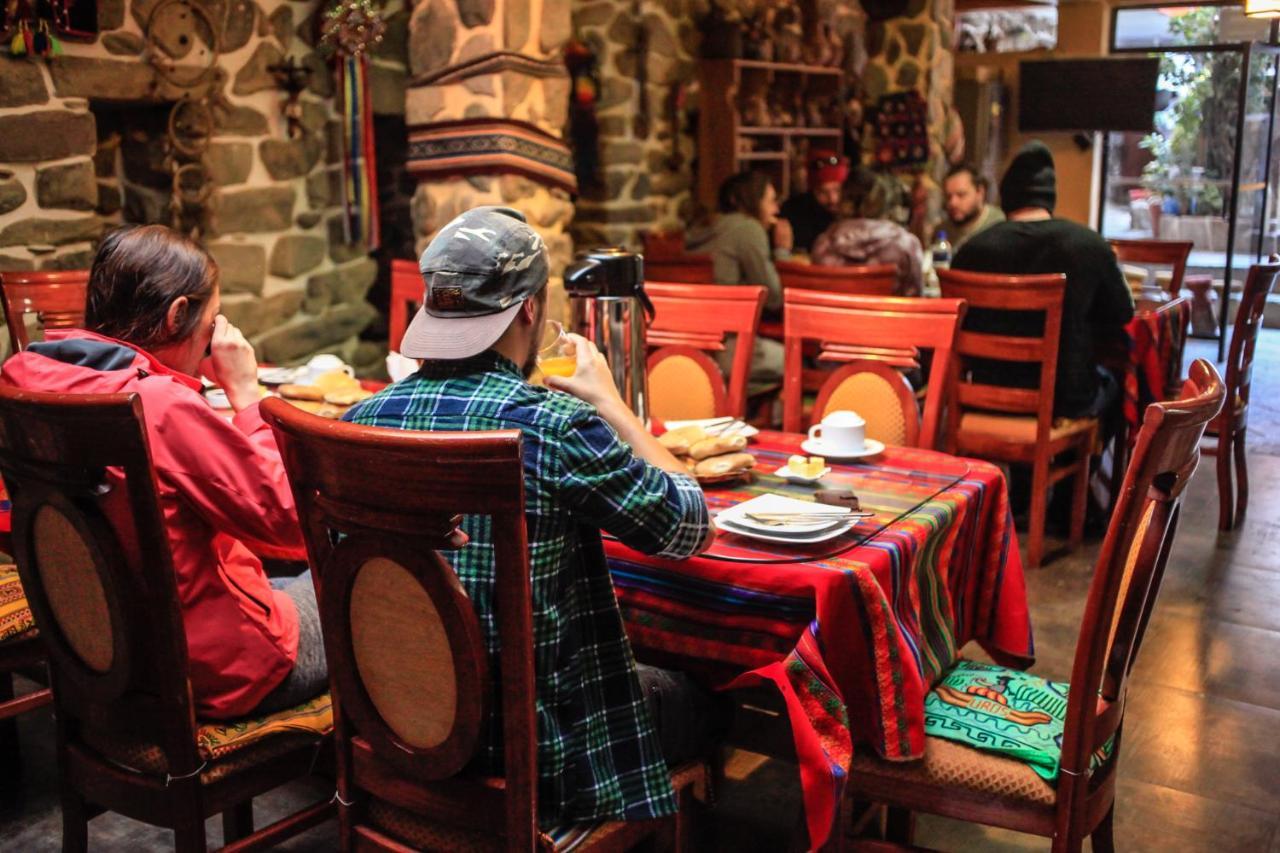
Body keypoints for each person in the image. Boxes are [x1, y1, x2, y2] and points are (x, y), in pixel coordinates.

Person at [344, 206, 720, 830]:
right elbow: (688, 527)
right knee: (702, 697)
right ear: (529, 310)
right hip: (535, 754)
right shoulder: (550, 424)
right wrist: (614, 405)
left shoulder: (359, 423)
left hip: (396, 732)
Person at [0, 225, 325, 719]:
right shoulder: (158, 405)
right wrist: (247, 394)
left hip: (108, 661)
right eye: (212, 322)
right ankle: (384, 774)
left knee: (279, 575)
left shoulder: (24, 377)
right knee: (358, 582)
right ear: (177, 316)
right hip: (219, 671)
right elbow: (287, 523)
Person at [951, 141, 1134, 421]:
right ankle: (1079, 461)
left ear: (1006, 197)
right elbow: (1122, 312)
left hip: (982, 395)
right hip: (1064, 403)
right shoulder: (1089, 245)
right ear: (1049, 197)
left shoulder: (969, 251)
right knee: (1119, 385)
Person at [685, 171, 787, 392]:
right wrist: (782, 250)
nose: (776, 210)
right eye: (771, 201)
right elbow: (775, 299)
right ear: (751, 200)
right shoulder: (748, 229)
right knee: (798, 360)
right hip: (730, 349)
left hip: (688, 350)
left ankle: (732, 405)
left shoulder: (698, 229)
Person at [810, 165, 925, 296]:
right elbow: (915, 298)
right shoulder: (905, 244)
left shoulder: (823, 245)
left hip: (837, 316)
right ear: (883, 201)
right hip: (888, 316)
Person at [780, 151, 849, 253]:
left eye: (837, 190)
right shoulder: (795, 212)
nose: (832, 199)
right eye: (823, 192)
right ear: (812, 191)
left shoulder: (857, 213)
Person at [938, 162, 1004, 251]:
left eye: (961, 195)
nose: (953, 203)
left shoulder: (999, 224)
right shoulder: (943, 231)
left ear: (980, 192)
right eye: (949, 197)